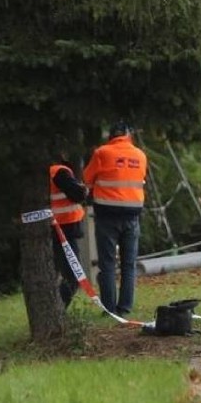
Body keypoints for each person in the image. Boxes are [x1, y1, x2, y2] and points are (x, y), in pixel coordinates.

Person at [83, 121, 148, 316]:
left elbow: (87, 179)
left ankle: (109, 309)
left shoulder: (102, 153)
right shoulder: (140, 155)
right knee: (129, 264)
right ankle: (125, 307)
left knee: (108, 264)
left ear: (110, 136)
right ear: (129, 135)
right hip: (132, 216)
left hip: (107, 216)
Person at [49, 152, 89, 309]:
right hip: (64, 229)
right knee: (73, 277)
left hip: (56, 229)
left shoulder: (45, 173)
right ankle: (56, 311)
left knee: (59, 273)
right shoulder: (60, 172)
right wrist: (83, 189)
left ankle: (55, 310)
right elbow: (78, 194)